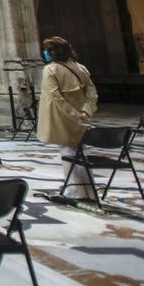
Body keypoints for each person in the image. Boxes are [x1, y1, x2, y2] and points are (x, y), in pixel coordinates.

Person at [37, 36, 99, 201]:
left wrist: (74, 115)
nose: (45, 53)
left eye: (48, 50)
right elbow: (92, 93)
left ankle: (75, 191)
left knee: (68, 152)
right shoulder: (81, 68)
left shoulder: (51, 70)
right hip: (81, 116)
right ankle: (89, 191)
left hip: (64, 117)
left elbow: (55, 97)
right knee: (80, 152)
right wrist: (86, 112)